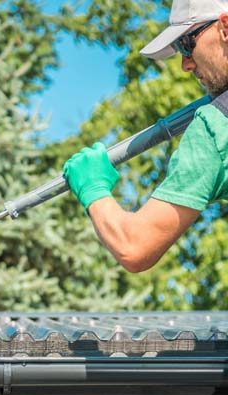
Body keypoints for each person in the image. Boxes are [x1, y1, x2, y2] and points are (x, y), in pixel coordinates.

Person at [63, 0, 228, 272]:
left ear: (224, 28)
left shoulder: (215, 127)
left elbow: (134, 246)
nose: (185, 65)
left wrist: (92, 188)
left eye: (187, 45)